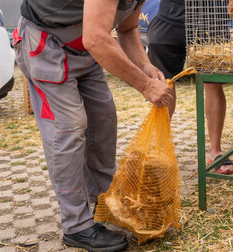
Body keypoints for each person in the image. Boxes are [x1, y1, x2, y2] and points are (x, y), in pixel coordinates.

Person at [13, 0, 175, 251]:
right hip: (46, 44)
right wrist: (144, 85)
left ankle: (108, 205)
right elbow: (97, 38)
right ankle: (76, 225)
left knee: (103, 120)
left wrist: (145, 66)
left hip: (86, 49)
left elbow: (128, 29)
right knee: (68, 128)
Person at [147, 0, 233, 174]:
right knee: (163, 83)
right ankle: (159, 150)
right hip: (169, 17)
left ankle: (215, 151)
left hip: (212, 19)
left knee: (213, 83)